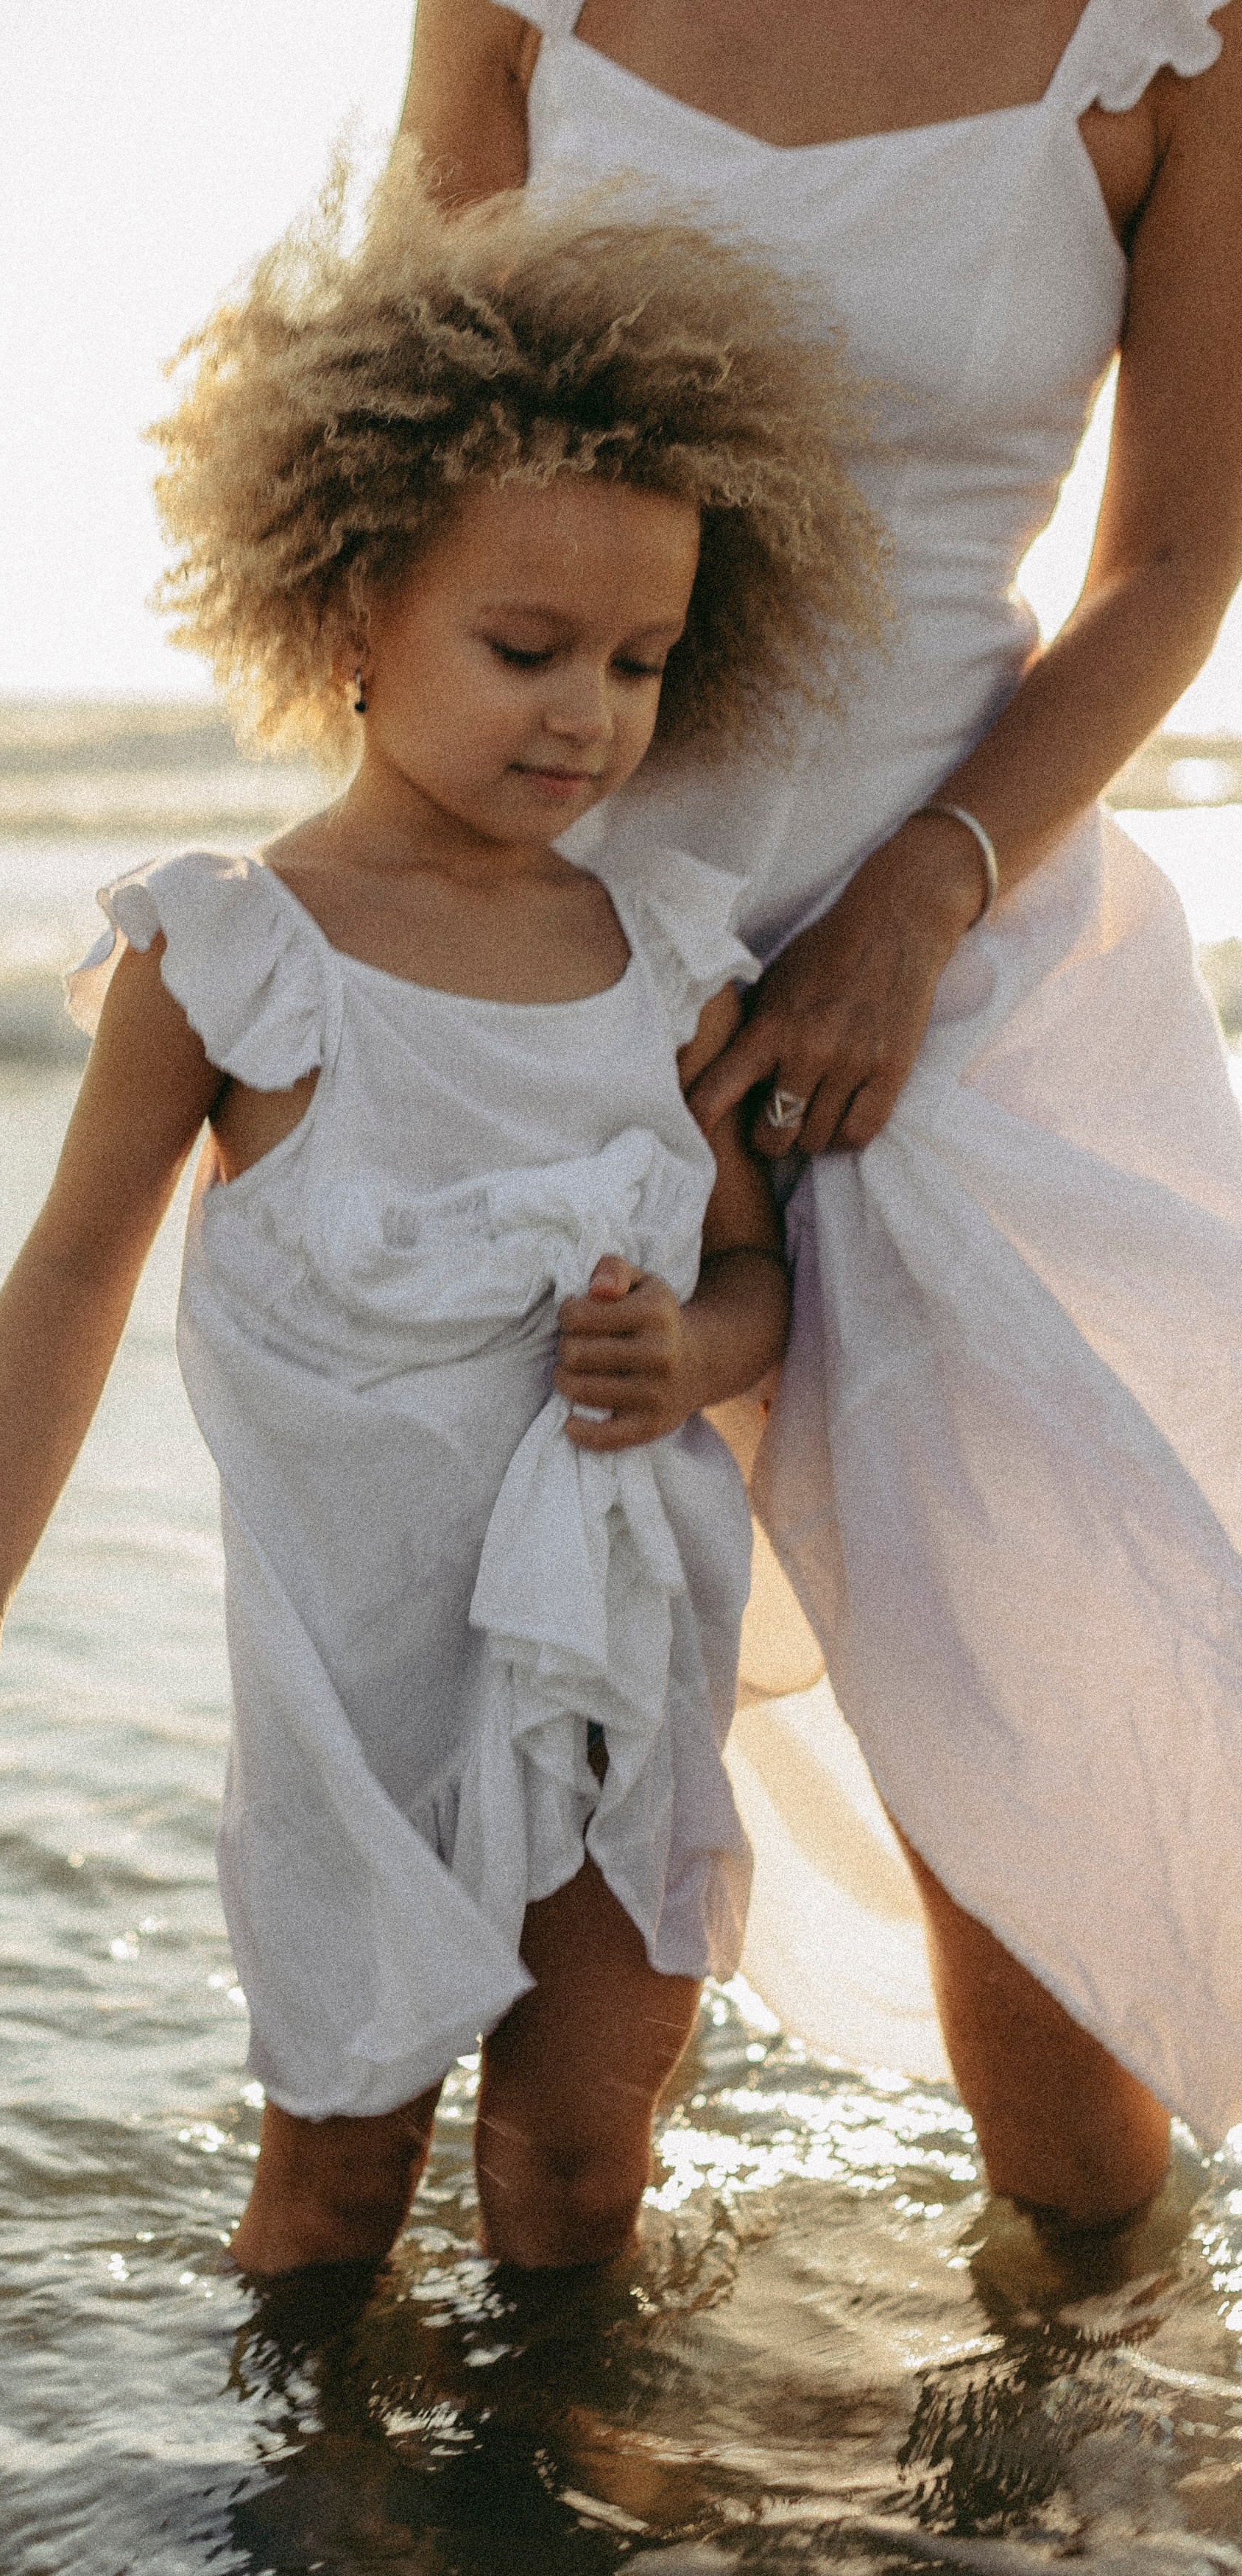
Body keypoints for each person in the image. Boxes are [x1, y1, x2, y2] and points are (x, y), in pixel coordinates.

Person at [0, 174, 886, 2274]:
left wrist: (700, 1350)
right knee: (334, 2192)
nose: (587, 712)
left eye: (642, 662)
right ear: (349, 612)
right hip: (354, 1685)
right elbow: (69, 1278)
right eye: (527, 646)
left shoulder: (667, 958)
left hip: (618, 1645)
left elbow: (753, 1276)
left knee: (582, 2166)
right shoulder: (234, 955)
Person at [398, 0, 1242, 2231]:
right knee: (548, 1905)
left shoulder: (1173, 45)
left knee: (1034, 1904)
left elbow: (1170, 564)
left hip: (963, 1000)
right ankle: (519, 2476)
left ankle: (1082, 2483)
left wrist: (911, 907)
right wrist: (417, 986)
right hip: (569, 995)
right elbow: (408, 501)